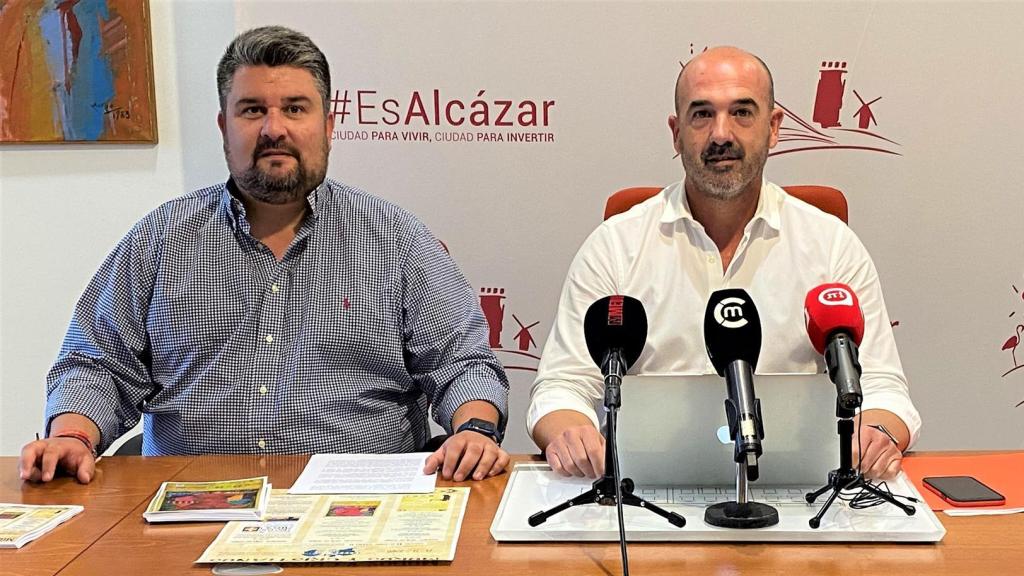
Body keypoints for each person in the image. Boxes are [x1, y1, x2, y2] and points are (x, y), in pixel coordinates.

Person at [19, 26, 509, 484]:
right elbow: (95, 364)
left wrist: (474, 431)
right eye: (252, 110)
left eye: (295, 108)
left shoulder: (397, 240)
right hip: (191, 507)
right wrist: (72, 437)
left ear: (329, 124)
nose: (274, 128)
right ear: (223, 125)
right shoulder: (160, 240)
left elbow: (464, 364)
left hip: (361, 505)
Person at [528, 46, 920, 482]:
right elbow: (562, 386)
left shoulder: (831, 245)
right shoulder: (616, 245)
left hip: (802, 493)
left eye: (742, 113)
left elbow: (884, 387)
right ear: (676, 133)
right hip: (647, 495)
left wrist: (879, 431)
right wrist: (570, 432)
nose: (721, 134)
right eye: (701, 115)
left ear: (774, 129)